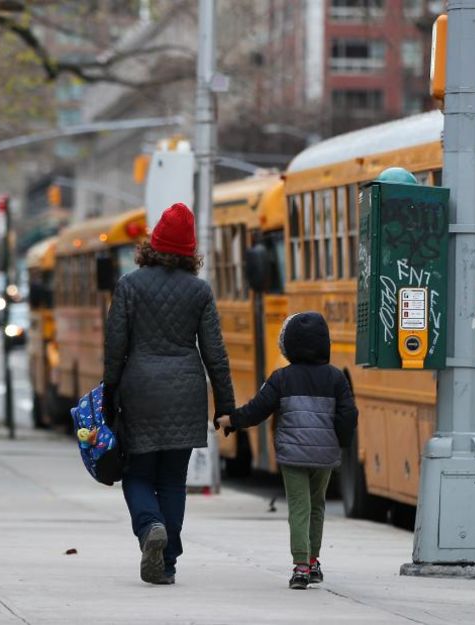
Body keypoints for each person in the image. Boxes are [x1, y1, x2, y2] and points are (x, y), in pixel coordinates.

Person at [103, 202, 235, 585]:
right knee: (174, 479)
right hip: (185, 390)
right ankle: (169, 562)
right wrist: (225, 406)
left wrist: (109, 393)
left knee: (138, 472)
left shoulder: (129, 285)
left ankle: (149, 529)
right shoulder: (199, 291)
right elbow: (216, 353)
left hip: (139, 388)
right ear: (190, 251)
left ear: (152, 243)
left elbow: (115, 346)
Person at [215, 311, 358, 590]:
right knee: (317, 506)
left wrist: (231, 420)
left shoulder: (281, 378)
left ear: (289, 344)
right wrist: (339, 441)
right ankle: (314, 561)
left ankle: (301, 566)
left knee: (299, 507)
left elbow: (258, 409)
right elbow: (348, 416)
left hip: (293, 455)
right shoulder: (337, 379)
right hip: (325, 455)